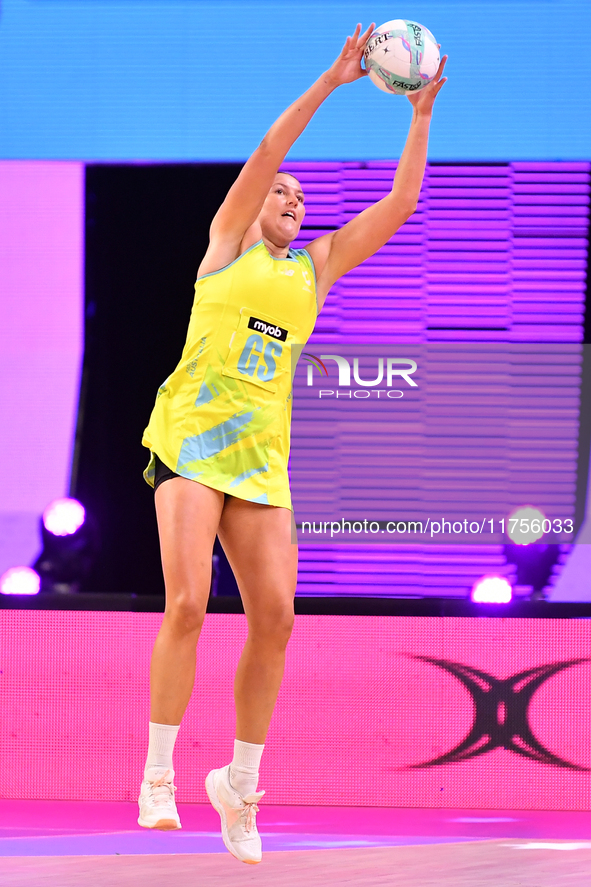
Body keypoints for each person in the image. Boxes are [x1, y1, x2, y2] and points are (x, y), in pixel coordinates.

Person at [137, 24, 447, 865]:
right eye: (282, 194)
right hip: (190, 441)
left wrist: (417, 114)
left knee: (275, 618)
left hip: (260, 462)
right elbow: (272, 146)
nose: (292, 201)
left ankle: (237, 785)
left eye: (301, 199)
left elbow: (401, 205)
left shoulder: (312, 270)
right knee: (189, 605)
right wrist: (334, 80)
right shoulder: (228, 246)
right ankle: (159, 773)